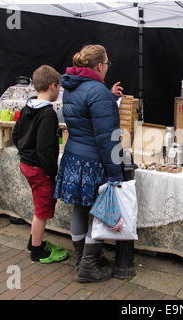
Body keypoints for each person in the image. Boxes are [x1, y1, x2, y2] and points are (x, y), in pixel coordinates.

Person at [54, 44, 124, 283]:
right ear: (99, 65)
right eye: (107, 63)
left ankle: (82, 258)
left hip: (73, 155)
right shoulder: (97, 91)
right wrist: (115, 174)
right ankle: (87, 268)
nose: (107, 67)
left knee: (80, 209)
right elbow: (107, 138)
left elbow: (84, 118)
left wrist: (109, 99)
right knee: (100, 212)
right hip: (93, 161)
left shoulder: (72, 87)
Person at [12, 65, 69, 264]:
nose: (59, 91)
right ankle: (36, 250)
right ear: (53, 86)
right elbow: (45, 148)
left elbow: (15, 134)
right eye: (59, 87)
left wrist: (24, 151)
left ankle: (33, 241)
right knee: (42, 211)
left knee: (39, 204)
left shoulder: (27, 106)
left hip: (27, 164)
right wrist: (51, 172)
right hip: (39, 168)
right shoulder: (48, 114)